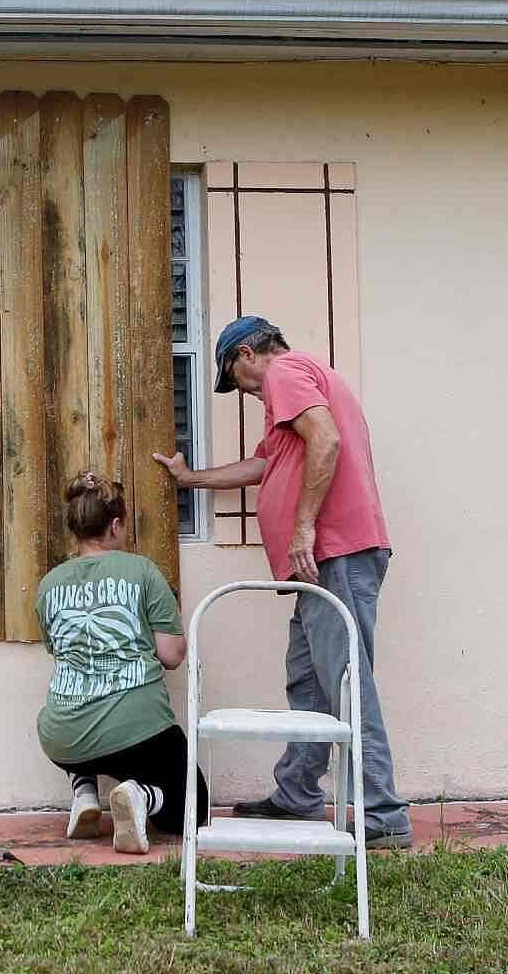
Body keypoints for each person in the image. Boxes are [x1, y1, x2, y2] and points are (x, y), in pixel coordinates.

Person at [152, 316, 412, 848]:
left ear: (249, 353)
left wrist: (303, 528)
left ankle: (383, 813)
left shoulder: (286, 372)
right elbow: (260, 467)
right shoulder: (293, 392)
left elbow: (327, 440)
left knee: (345, 681)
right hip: (324, 561)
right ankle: (296, 792)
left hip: (333, 553)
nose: (242, 389)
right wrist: (190, 479)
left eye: (234, 376)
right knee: (309, 678)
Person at [36, 470, 210, 855]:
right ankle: (140, 797)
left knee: (79, 723)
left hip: (61, 734)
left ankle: (84, 792)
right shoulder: (143, 571)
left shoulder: (48, 584)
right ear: (115, 525)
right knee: (193, 804)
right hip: (135, 730)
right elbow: (172, 656)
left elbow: (64, 651)